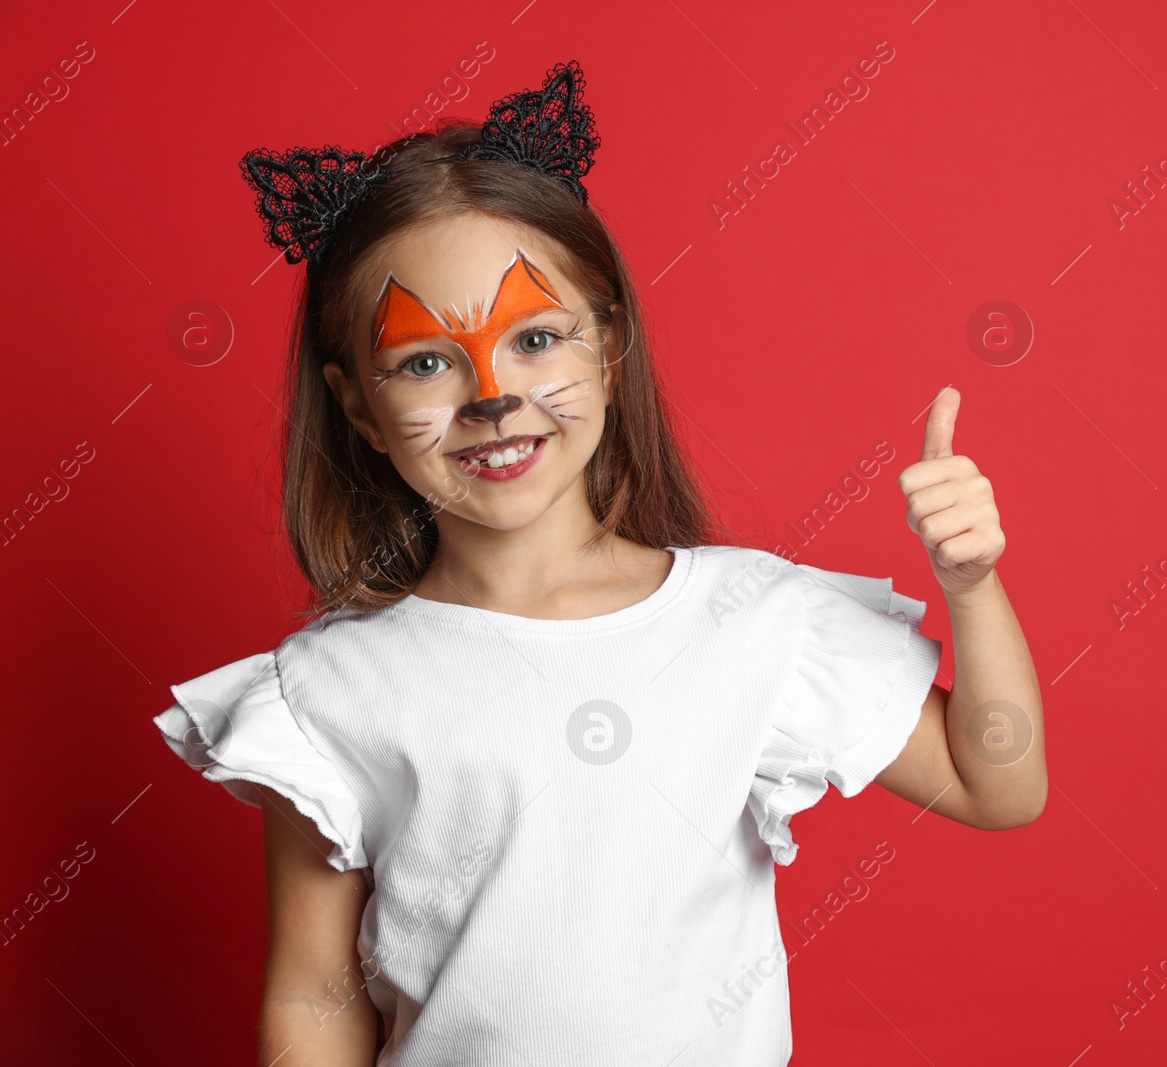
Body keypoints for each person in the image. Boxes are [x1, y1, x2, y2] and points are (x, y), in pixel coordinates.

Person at [151, 60, 1046, 1067]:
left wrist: (969, 588)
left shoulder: (752, 618)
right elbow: (316, 1001)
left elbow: (995, 783)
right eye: (424, 361)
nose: (492, 398)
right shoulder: (323, 690)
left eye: (535, 338)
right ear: (357, 404)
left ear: (608, 344)